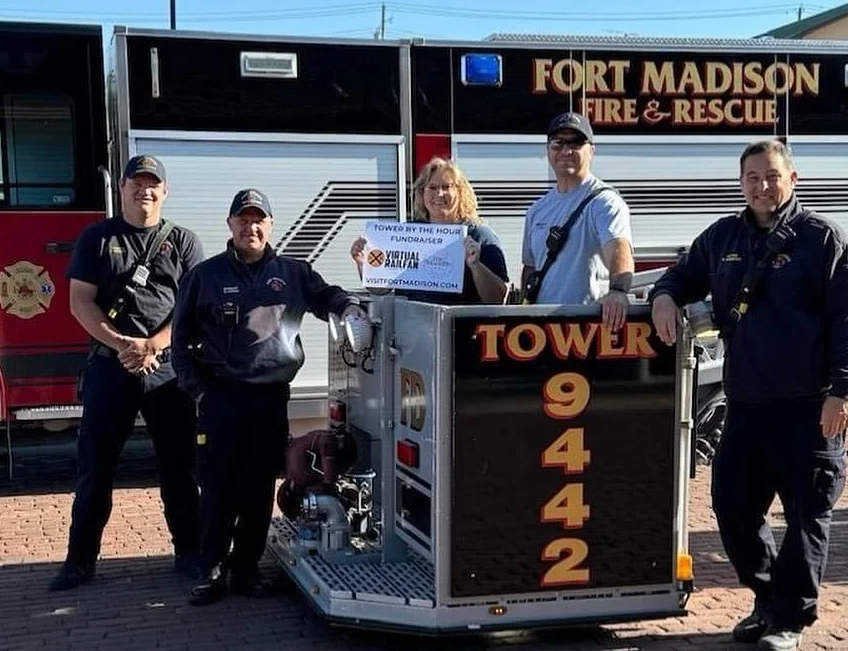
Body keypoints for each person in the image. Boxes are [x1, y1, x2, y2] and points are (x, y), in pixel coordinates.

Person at [650, 139, 848, 651]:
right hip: (747, 404)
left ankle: (789, 619)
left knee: (806, 513)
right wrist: (663, 297)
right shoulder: (724, 236)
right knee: (732, 507)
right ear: (740, 182)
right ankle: (770, 598)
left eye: (771, 176)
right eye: (752, 177)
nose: (762, 186)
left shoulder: (824, 239)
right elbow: (682, 274)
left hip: (809, 406)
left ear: (792, 180)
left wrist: (843, 391)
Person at [172, 188, 367, 605]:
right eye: (243, 219)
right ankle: (210, 571)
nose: (251, 226)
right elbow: (180, 341)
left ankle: (246, 570)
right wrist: (199, 391)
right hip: (220, 398)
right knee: (218, 487)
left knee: (259, 489)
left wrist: (350, 306)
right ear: (230, 225)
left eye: (259, 219)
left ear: (271, 225)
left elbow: (327, 296)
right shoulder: (204, 276)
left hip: (269, 398)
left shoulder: (294, 273)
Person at [49, 155, 204, 591]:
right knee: (95, 470)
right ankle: (79, 562)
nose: (145, 191)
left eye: (153, 184)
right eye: (137, 183)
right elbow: (80, 302)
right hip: (109, 366)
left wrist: (154, 345)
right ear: (122, 188)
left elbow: (192, 308)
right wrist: (123, 345)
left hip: (167, 371)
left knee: (180, 469)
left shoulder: (184, 241)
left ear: (165, 191)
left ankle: (188, 552)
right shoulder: (96, 238)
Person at [521, 112, 635, 331]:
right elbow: (531, 268)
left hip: (588, 326)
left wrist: (618, 293)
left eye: (576, 143)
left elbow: (619, 250)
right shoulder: (537, 210)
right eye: (558, 143)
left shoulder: (604, 202)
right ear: (548, 151)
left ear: (591, 151)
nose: (566, 151)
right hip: (544, 328)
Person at [350, 157, 509, 304]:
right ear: (422, 193)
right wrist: (363, 264)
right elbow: (380, 289)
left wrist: (475, 265)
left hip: (463, 331)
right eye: (432, 187)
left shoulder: (480, 235)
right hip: (413, 327)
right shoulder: (406, 235)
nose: (439, 194)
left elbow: (497, 298)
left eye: (446, 187)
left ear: (460, 192)